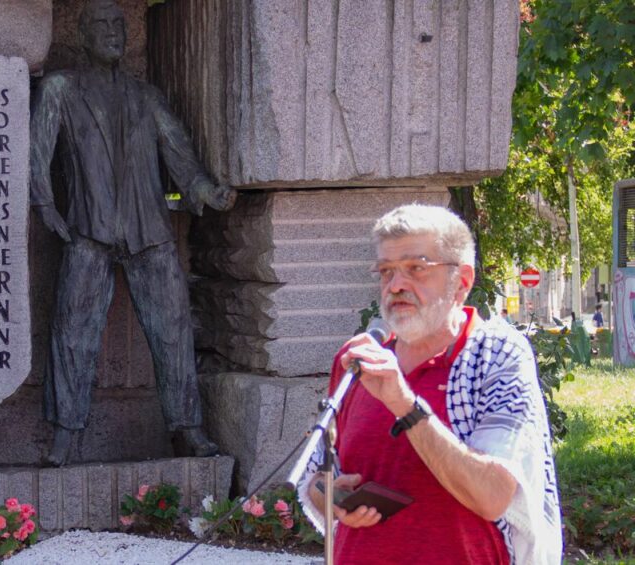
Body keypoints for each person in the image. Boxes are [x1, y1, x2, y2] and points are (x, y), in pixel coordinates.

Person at [30, 0, 237, 466]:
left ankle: (186, 427)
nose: (112, 32)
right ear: (82, 36)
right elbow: (37, 152)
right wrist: (44, 204)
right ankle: (65, 434)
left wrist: (205, 190)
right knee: (73, 333)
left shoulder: (147, 96)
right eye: (101, 24)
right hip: (88, 230)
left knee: (173, 333)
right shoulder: (62, 88)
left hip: (149, 230)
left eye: (119, 25)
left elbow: (177, 152)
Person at [296, 205, 562, 564]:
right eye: (386, 272)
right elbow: (314, 476)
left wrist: (404, 403)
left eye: (416, 269)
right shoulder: (359, 359)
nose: (396, 285)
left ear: (462, 282)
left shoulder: (495, 354)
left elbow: (493, 496)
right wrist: (328, 495)